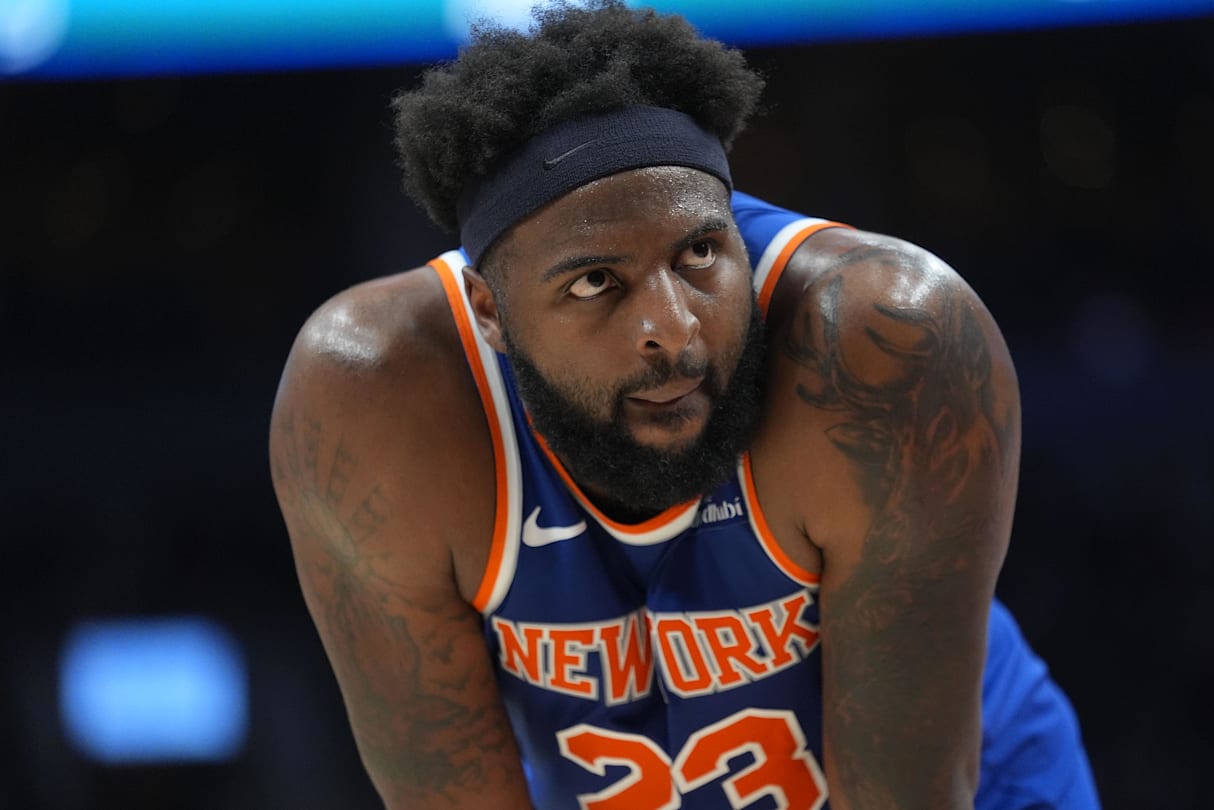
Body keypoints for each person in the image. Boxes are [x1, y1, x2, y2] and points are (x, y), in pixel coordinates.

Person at [270, 2, 1099, 808]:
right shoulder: (373, 400)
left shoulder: (881, 345)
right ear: (489, 311)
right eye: (597, 282)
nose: (672, 327)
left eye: (700, 251)